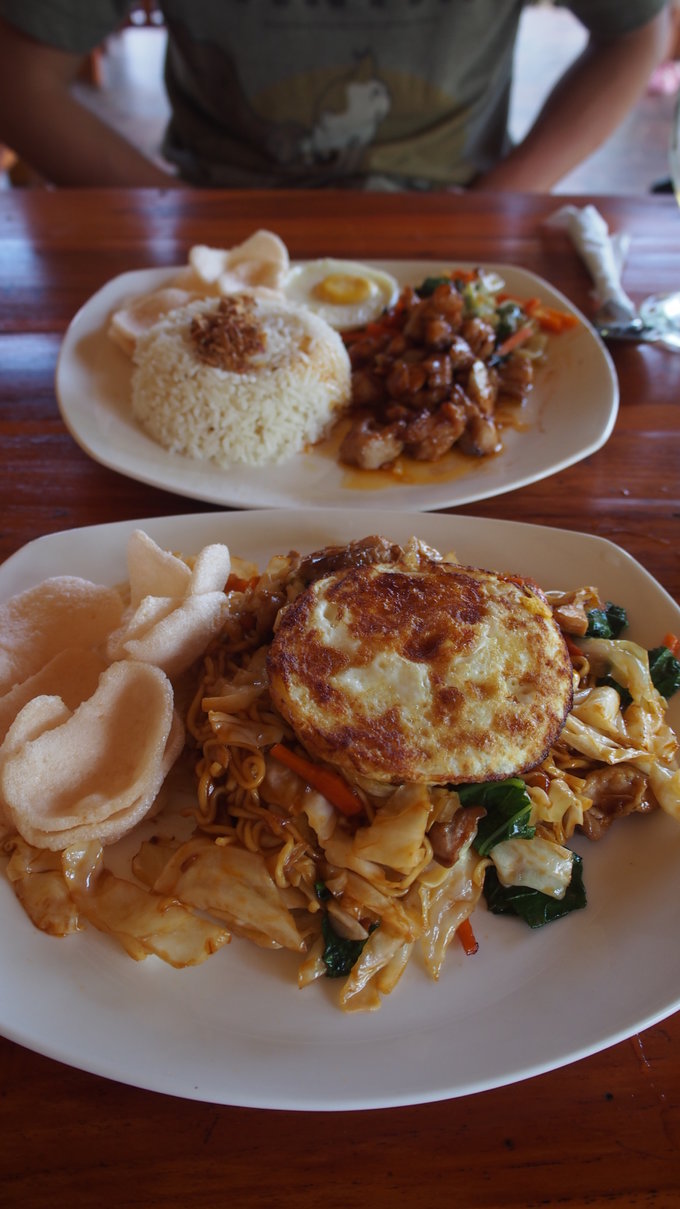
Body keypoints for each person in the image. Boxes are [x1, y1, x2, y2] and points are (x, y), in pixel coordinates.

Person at [0, 0, 670, 191]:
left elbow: (637, 32)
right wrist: (175, 212)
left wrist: (508, 195)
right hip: (222, 212)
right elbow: (19, 78)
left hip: (460, 204)